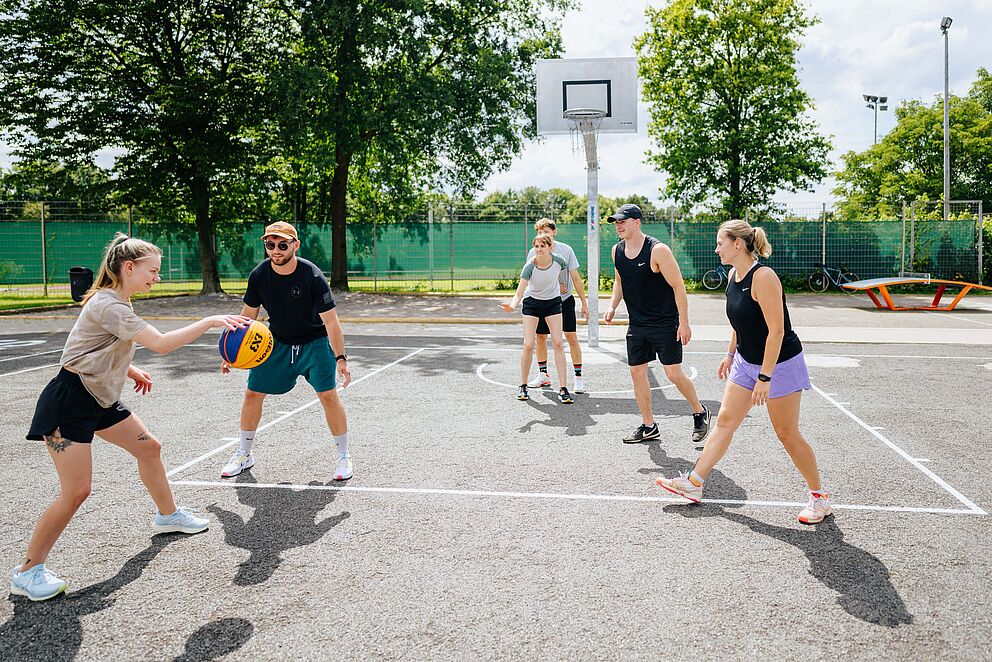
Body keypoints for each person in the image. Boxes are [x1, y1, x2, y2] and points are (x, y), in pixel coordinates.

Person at [12, 233, 251, 602]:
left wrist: (130, 368)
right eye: (151, 271)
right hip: (70, 402)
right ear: (128, 268)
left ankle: (167, 515)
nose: (156, 277)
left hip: (98, 398)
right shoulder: (110, 305)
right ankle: (27, 572)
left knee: (150, 448)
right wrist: (208, 321)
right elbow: (161, 343)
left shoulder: (116, 301)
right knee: (77, 491)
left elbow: (94, 345)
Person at [655, 219, 832, 524]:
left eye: (720, 243)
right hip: (746, 361)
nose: (716, 249)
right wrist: (729, 354)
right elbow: (740, 323)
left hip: (779, 363)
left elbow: (776, 332)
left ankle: (819, 499)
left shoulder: (764, 277)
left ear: (738, 244)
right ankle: (694, 483)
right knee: (724, 421)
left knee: (786, 433)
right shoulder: (733, 276)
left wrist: (764, 377)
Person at [219, 221, 353, 482]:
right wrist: (230, 353)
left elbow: (331, 322)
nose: (276, 250)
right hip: (276, 342)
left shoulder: (311, 276)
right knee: (252, 394)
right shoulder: (259, 275)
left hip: (314, 343)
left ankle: (343, 457)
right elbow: (248, 317)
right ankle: (245, 454)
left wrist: (341, 358)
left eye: (282, 244)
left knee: (328, 396)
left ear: (295, 245)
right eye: (270, 245)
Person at [603, 204, 710, 445]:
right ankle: (649, 426)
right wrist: (612, 306)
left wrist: (684, 322)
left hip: (664, 322)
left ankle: (699, 411)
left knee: (673, 373)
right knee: (636, 371)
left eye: (623, 221)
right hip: (637, 323)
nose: (618, 225)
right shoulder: (616, 251)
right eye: (616, 222)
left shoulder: (657, 250)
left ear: (637, 222)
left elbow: (678, 286)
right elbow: (619, 282)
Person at [499, 234, 574, 404]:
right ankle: (523, 385)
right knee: (528, 344)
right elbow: (520, 291)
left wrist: (563, 287)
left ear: (550, 247)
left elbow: (566, 274)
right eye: (537, 246)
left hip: (553, 303)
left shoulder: (559, 261)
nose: (539, 249)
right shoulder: (530, 266)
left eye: (542, 246)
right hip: (532, 303)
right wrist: (512, 306)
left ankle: (563, 388)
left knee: (558, 343)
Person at [525, 218, 590, 393]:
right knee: (540, 338)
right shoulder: (534, 251)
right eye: (539, 232)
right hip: (543, 302)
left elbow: (575, 278)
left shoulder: (566, 250)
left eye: (546, 232)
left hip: (564, 300)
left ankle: (578, 378)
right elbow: (531, 277)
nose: (542, 236)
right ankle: (543, 375)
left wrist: (584, 303)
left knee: (570, 337)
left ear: (554, 232)